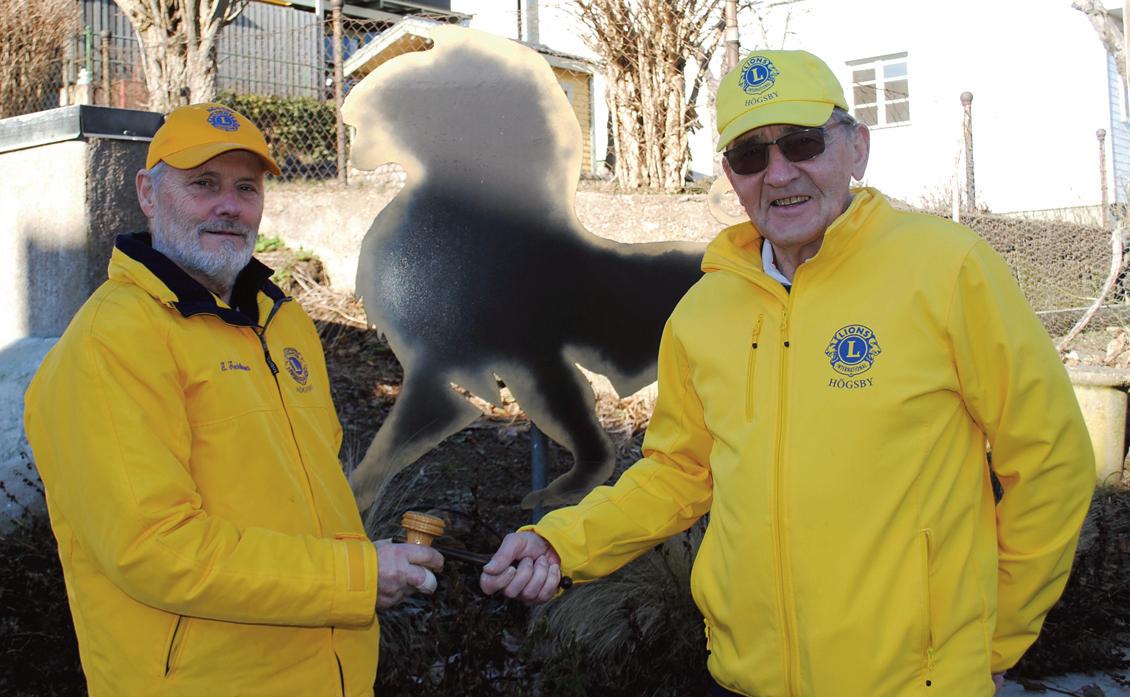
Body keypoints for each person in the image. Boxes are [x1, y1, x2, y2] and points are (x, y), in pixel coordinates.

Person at [480, 50, 1096, 697]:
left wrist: (998, 636)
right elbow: (678, 472)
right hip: (743, 680)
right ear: (730, 175)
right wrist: (562, 543)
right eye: (750, 154)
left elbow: (1050, 460)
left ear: (856, 148)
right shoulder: (702, 312)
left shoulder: (949, 270)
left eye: (802, 142)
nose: (778, 173)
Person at [23, 103, 443, 696]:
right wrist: (355, 576)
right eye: (204, 183)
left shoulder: (283, 321)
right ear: (147, 193)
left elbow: (310, 499)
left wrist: (365, 570)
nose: (230, 205)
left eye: (247, 187)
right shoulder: (111, 342)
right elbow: (156, 549)